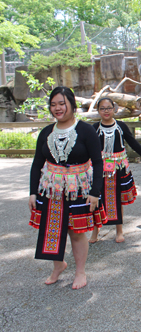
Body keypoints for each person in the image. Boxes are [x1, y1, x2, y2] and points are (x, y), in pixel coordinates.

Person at [28, 86, 106, 289]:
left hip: (79, 189)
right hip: (51, 189)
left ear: (72, 104)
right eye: (53, 104)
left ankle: (80, 272)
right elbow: (37, 164)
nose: (57, 108)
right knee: (51, 228)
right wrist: (32, 192)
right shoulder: (46, 132)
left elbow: (98, 162)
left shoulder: (86, 130)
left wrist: (95, 192)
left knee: (76, 231)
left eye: (62, 103)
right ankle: (58, 265)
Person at [89, 97, 141, 243]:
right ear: (98, 110)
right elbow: (87, 149)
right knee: (97, 198)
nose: (106, 111)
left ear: (114, 109)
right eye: (102, 108)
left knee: (117, 198)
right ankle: (95, 231)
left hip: (118, 167)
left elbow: (133, 143)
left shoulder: (121, 126)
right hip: (99, 169)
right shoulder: (94, 128)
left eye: (108, 108)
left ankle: (119, 231)